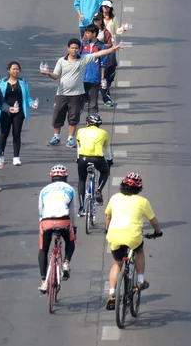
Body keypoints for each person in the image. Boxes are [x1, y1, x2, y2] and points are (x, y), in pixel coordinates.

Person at [41, 37, 121, 148]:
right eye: (72, 48)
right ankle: (56, 137)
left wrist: (113, 49)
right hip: (61, 94)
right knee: (58, 116)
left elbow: (99, 53)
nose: (74, 50)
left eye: (76, 48)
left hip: (77, 94)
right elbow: (56, 76)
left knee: (73, 118)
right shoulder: (61, 61)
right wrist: (48, 73)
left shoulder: (83, 59)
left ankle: (70, 139)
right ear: (68, 49)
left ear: (79, 49)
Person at [105, 173, 163, 310]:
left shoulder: (114, 198)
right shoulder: (142, 201)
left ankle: (112, 294)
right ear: (139, 188)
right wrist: (158, 232)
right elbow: (153, 221)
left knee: (117, 264)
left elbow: (108, 217)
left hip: (114, 235)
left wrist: (108, 231)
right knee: (139, 251)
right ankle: (140, 281)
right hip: (133, 237)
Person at [38, 165, 77, 292]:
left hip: (46, 221)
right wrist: (74, 227)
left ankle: (44, 281)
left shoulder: (44, 190)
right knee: (71, 241)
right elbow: (73, 211)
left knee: (43, 249)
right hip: (63, 220)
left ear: (51, 177)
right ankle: (65, 262)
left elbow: (40, 210)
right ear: (65, 177)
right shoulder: (70, 189)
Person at [0, 61, 38, 168]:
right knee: (4, 134)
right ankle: (0, 156)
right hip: (5, 111)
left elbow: (27, 98)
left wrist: (32, 103)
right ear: (8, 70)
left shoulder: (23, 83)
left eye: (17, 69)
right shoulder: (1, 83)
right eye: (13, 69)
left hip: (19, 112)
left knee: (16, 134)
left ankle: (16, 157)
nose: (15, 71)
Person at [76, 114, 112, 207]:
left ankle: (81, 207)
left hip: (83, 157)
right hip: (97, 158)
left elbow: (79, 147)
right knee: (105, 172)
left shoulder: (80, 131)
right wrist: (110, 161)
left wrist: (78, 158)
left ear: (87, 123)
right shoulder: (103, 133)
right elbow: (107, 150)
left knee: (82, 180)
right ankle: (99, 191)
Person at [81, 24, 108, 113]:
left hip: (94, 79)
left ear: (94, 34)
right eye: (86, 32)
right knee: (79, 102)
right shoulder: (83, 44)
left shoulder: (101, 46)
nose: (86, 34)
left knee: (93, 103)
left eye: (88, 33)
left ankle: (92, 122)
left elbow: (103, 64)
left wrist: (102, 78)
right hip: (82, 78)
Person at [93, 13, 114, 106]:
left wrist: (101, 46)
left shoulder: (105, 32)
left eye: (98, 20)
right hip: (91, 60)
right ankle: (86, 98)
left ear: (101, 21)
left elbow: (110, 44)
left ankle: (106, 98)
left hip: (103, 58)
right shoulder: (89, 30)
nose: (96, 22)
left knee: (103, 79)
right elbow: (84, 42)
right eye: (95, 20)